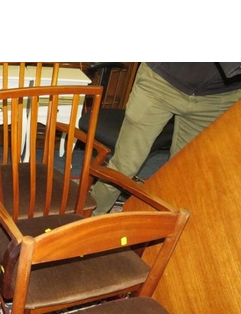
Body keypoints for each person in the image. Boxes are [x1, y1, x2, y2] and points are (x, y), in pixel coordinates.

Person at [91, 62, 241, 215]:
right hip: (161, 80)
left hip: (218, 97)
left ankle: (163, 229)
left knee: (184, 175)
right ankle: (87, 219)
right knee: (124, 167)